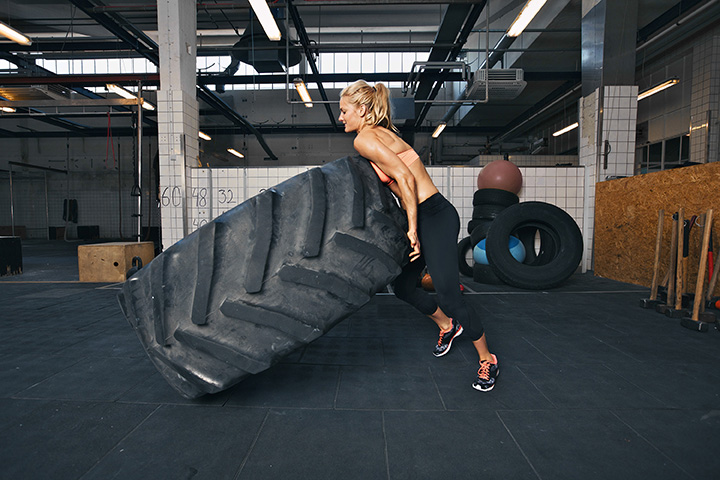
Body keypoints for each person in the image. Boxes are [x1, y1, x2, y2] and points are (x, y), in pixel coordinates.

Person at [338, 80, 499, 391]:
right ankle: (447, 326)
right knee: (402, 286)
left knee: (449, 294)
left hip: (433, 215)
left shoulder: (365, 140)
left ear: (362, 110)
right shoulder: (379, 133)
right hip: (424, 214)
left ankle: (487, 359)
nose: (341, 117)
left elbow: (404, 180)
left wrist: (412, 229)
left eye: (345, 111)